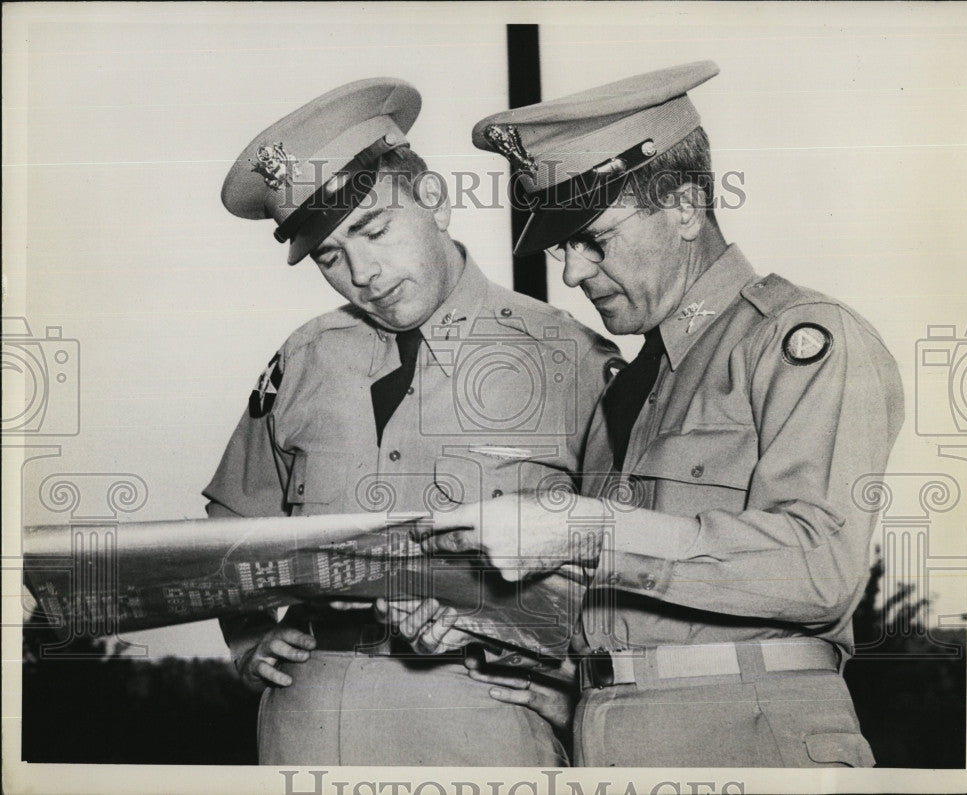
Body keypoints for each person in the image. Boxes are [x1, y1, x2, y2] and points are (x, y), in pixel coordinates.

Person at [425, 61, 905, 767]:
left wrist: (591, 528)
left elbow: (820, 563)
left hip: (752, 740)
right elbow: (636, 602)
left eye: (595, 238)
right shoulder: (627, 387)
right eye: (562, 247)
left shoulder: (798, 338)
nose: (573, 273)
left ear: (683, 207)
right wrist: (540, 661)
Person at [204, 78, 618, 765]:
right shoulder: (304, 359)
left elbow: (632, 555)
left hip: (483, 720)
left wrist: (585, 688)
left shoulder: (571, 357)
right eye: (330, 257)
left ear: (434, 201)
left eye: (373, 229)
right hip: (312, 722)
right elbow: (233, 517)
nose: (361, 272)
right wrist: (246, 635)